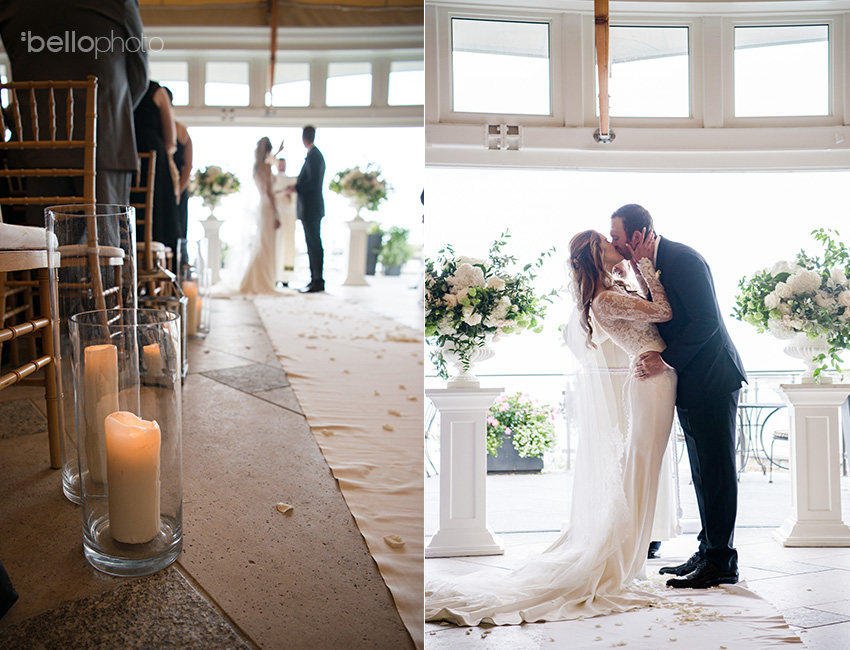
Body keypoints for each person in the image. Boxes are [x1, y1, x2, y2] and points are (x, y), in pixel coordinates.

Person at [426, 229, 677, 625]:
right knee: (642, 466)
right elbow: (662, 312)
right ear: (597, 256)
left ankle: (629, 557)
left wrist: (636, 272)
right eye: (610, 244)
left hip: (649, 377)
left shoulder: (613, 290)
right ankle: (623, 560)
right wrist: (645, 263)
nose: (618, 247)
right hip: (652, 382)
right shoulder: (607, 298)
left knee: (641, 466)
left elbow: (648, 311)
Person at [610, 203, 747, 589]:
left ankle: (722, 561)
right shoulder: (652, 265)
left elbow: (705, 321)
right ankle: (708, 550)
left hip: (713, 379)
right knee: (703, 473)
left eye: (619, 238)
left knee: (717, 472)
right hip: (691, 381)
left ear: (638, 236)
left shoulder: (683, 259)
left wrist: (664, 359)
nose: (615, 245)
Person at [0, 0, 148, 222]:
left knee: (46, 246)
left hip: (38, 149)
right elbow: (139, 76)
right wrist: (109, 114)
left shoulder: (11, 6)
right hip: (106, 145)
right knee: (105, 246)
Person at [134, 79, 180, 253]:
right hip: (153, 160)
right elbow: (171, 142)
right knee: (158, 217)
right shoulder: (156, 91)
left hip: (125, 157)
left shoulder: (126, 88)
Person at [239, 137, 281, 295]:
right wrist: (276, 213)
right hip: (268, 207)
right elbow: (268, 191)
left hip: (261, 206)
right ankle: (261, 281)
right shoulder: (266, 167)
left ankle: (256, 279)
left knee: (262, 244)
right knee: (265, 245)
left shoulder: (257, 167)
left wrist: (279, 151)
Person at [286, 125, 325, 293]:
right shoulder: (313, 155)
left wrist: (297, 187)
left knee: (314, 244)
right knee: (311, 244)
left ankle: (318, 280)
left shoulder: (315, 156)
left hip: (311, 208)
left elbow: (312, 183)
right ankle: (314, 279)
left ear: (304, 138)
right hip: (310, 208)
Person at [271, 147, 298, 288]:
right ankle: (275, 275)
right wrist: (283, 191)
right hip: (278, 214)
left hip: (289, 215)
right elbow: (270, 195)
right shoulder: (273, 179)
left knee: (289, 246)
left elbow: (295, 198)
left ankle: (287, 275)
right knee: (278, 244)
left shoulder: (291, 179)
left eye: (283, 164)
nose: (282, 167)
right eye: (280, 164)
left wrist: (291, 191)